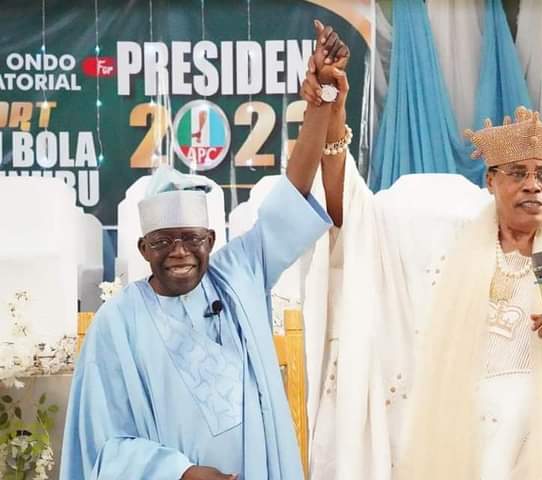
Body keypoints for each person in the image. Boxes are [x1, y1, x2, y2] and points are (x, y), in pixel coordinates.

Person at [299, 25, 542, 480]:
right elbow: (354, 220)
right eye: (517, 173)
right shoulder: (442, 246)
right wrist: (332, 109)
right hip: (457, 444)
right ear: (490, 181)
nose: (533, 186)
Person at [59, 20, 349, 480]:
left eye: (192, 238)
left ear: (210, 241)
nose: (179, 251)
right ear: (143, 248)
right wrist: (179, 473)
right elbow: (101, 446)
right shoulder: (117, 323)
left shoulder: (239, 275)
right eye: (163, 241)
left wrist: (320, 100)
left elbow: (294, 190)